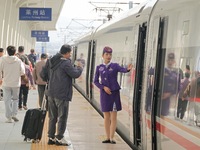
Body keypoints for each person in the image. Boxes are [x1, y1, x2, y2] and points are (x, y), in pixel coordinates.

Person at [45, 44, 83, 146]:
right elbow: (75, 74)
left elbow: (43, 75)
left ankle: (51, 137)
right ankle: (60, 138)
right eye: (70, 53)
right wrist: (80, 67)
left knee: (52, 117)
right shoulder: (65, 63)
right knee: (62, 116)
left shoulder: (50, 60)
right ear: (66, 53)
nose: (70, 55)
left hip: (51, 93)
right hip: (62, 94)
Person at [94, 46, 132, 144]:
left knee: (114, 117)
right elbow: (95, 81)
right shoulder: (99, 68)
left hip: (114, 94)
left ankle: (112, 137)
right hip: (104, 94)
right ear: (103, 55)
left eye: (110, 54)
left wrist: (127, 69)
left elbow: (123, 70)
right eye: (106, 54)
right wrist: (103, 87)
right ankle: (107, 137)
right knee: (106, 116)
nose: (108, 56)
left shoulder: (115, 66)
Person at [0, 46, 25, 123]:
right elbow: (23, 72)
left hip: (6, 83)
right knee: (15, 99)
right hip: (16, 83)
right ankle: (14, 114)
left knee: (7, 100)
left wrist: (1, 79)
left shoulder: (2, 60)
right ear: (15, 52)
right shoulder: (19, 61)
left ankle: (9, 117)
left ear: (7, 52)